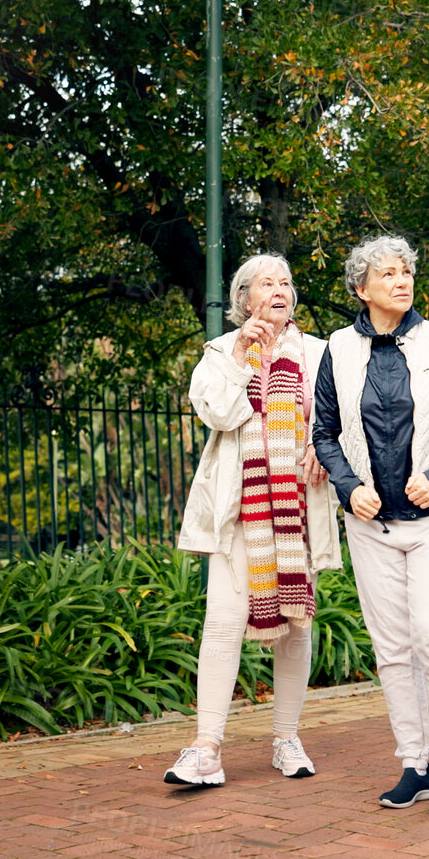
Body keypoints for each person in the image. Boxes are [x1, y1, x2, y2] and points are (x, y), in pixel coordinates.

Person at [311, 236, 429, 814]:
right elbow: (322, 432)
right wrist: (349, 487)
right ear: (361, 289)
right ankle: (414, 764)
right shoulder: (338, 349)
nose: (401, 280)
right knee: (392, 647)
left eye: (406, 271)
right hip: (372, 524)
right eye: (387, 273)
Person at [166, 254, 341, 787]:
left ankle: (287, 739)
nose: (279, 290)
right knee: (221, 622)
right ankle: (206, 749)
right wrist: (245, 356)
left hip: (298, 510)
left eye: (286, 282)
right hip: (239, 513)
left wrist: (325, 449)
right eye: (266, 283)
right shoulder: (221, 351)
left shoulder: (320, 353)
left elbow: (343, 417)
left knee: (297, 625)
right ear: (245, 299)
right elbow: (219, 412)